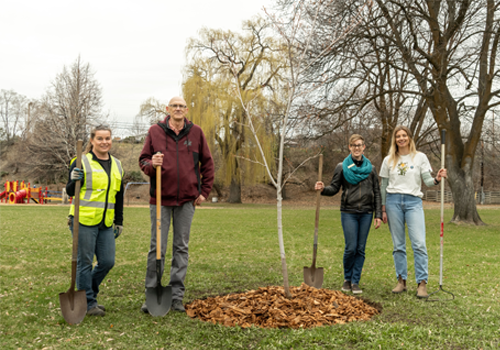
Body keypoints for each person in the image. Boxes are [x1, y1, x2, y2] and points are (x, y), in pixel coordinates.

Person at [139, 96, 214, 313]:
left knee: (181, 247)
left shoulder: (196, 132)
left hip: (186, 201)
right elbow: (143, 161)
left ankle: (176, 296)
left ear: (187, 110)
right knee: (157, 248)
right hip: (160, 199)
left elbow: (207, 164)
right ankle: (152, 293)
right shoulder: (155, 131)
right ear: (168, 109)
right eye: (175, 106)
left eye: (182, 106)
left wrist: (204, 192)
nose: (178, 109)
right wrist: (152, 164)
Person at [379, 125, 447, 298]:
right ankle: (401, 281)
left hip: (413, 202)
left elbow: (427, 180)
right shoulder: (388, 160)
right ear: (395, 140)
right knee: (398, 245)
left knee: (419, 244)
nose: (401, 138)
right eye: (398, 136)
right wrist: (383, 208)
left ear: (409, 137)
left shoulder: (420, 157)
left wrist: (437, 179)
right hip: (393, 201)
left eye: (404, 135)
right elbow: (384, 186)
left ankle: (422, 283)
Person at [66, 125, 124, 317]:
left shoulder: (117, 164)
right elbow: (69, 191)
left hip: (106, 222)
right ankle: (89, 303)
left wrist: (119, 220)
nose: (104, 142)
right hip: (83, 219)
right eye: (99, 138)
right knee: (85, 263)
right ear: (92, 141)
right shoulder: (80, 161)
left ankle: (87, 292)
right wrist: (73, 178)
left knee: (107, 261)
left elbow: (119, 195)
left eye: (107, 138)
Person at [315, 134, 382, 294]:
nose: (357, 148)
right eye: (354, 145)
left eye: (359, 145)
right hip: (348, 212)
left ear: (364, 147)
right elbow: (334, 188)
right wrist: (323, 189)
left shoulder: (371, 169)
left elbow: (377, 193)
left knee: (360, 249)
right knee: (351, 248)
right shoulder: (342, 167)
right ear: (349, 147)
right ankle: (347, 278)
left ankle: (355, 281)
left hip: (366, 212)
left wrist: (378, 214)